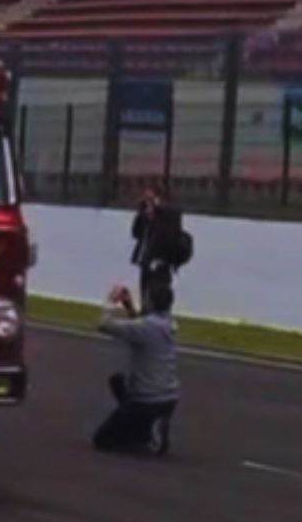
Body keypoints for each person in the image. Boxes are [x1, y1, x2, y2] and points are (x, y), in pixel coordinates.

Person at [93, 284, 180, 457]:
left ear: (149, 301)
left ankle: (144, 436)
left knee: (103, 440)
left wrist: (111, 302)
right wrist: (129, 306)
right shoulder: (168, 323)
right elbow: (141, 325)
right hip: (169, 397)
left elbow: (104, 325)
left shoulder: (146, 327)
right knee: (118, 382)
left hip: (147, 400)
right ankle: (145, 426)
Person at [129, 185, 190, 307]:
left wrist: (156, 211)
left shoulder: (170, 214)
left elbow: (168, 234)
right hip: (146, 263)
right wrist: (142, 214)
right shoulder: (147, 215)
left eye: (151, 199)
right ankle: (145, 317)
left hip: (161, 264)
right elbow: (136, 233)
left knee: (157, 297)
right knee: (145, 297)